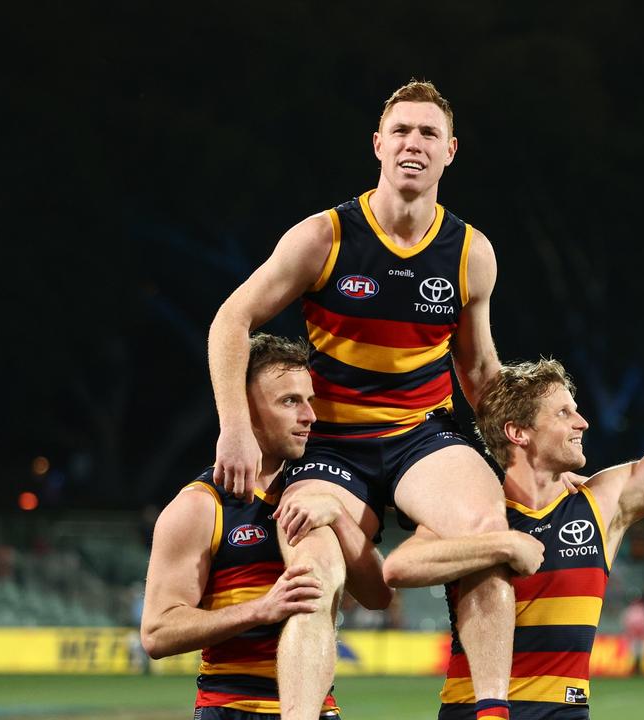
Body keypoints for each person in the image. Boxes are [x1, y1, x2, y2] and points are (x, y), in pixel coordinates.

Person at [207, 79, 516, 718]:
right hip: (332, 444)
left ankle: (491, 712)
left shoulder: (470, 252)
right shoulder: (325, 237)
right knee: (311, 573)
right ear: (378, 144)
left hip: (422, 437)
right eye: (401, 130)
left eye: (429, 133)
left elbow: (482, 373)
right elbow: (230, 321)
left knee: (488, 536)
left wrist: (527, 456)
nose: (414, 143)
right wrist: (234, 427)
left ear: (450, 151)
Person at [384, 312, 644, 717]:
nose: (582, 423)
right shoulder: (471, 513)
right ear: (519, 432)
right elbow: (398, 566)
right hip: (473, 710)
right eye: (564, 413)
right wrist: (505, 542)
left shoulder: (601, 502)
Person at [140, 333, 391, 719]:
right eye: (290, 401)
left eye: (309, 401)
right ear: (245, 410)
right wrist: (261, 609)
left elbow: (378, 596)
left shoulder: (321, 491)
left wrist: (339, 516)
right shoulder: (200, 506)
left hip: (318, 709)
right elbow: (157, 632)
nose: (309, 416)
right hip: (234, 708)